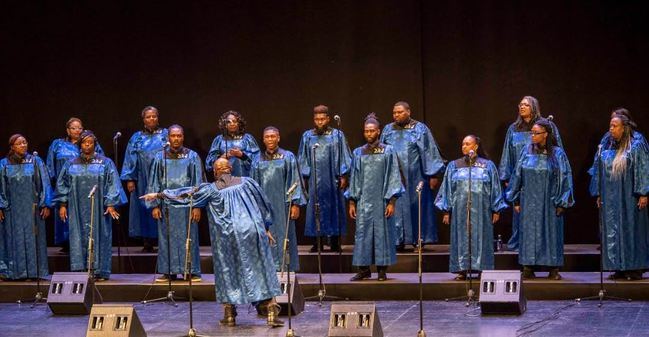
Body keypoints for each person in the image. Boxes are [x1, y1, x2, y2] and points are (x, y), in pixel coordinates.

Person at [140, 158, 284, 327]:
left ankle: (230, 314)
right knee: (262, 267)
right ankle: (271, 310)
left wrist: (159, 195)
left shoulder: (210, 189)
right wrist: (266, 227)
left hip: (226, 236)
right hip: (252, 231)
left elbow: (186, 195)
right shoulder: (248, 183)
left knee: (228, 271)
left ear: (215, 172)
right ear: (230, 169)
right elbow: (263, 204)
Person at [506, 119, 574, 280]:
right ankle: (528, 266)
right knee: (529, 234)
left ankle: (553, 267)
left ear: (546, 135)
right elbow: (517, 175)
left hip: (550, 202)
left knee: (550, 233)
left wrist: (562, 202)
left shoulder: (557, 154)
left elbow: (565, 178)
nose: (533, 136)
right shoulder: (526, 152)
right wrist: (515, 200)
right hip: (529, 201)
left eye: (536, 133)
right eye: (532, 133)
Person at [55, 130, 127, 280]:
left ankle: (99, 270)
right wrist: (62, 204)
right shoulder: (71, 163)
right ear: (80, 144)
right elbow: (62, 184)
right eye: (84, 142)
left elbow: (112, 183)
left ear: (95, 144)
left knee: (100, 235)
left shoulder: (105, 162)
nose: (87, 145)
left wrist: (111, 203)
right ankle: (80, 270)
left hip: (99, 208)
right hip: (77, 207)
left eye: (90, 143)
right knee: (78, 236)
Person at [435, 135, 507, 280]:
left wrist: (496, 209)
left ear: (475, 147)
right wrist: (446, 211)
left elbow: (495, 188)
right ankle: (462, 269)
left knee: (482, 238)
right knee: (461, 239)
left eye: (467, 144)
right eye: (463, 144)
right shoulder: (454, 165)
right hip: (460, 211)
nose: (464, 147)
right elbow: (447, 189)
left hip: (482, 211)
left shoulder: (487, 165)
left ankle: (482, 269)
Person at [589, 111, 649, 281]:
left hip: (629, 196)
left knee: (631, 229)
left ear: (624, 128)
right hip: (611, 197)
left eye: (614, 126)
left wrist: (643, 193)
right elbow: (598, 168)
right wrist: (599, 192)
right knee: (612, 232)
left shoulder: (636, 145)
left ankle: (634, 267)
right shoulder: (606, 144)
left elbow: (643, 169)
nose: (611, 129)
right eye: (610, 126)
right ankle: (618, 267)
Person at [499, 96, 563, 251]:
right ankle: (521, 244)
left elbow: (557, 150)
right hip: (522, 177)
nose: (522, 107)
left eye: (526, 105)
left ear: (534, 107)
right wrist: (507, 177)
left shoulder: (546, 126)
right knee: (521, 212)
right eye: (520, 104)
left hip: (544, 177)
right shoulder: (513, 129)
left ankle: (544, 246)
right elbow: (507, 153)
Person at [380, 101, 445, 251]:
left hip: (416, 176)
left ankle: (419, 240)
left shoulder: (419, 128)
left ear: (408, 112)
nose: (396, 115)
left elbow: (429, 151)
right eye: (394, 113)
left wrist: (434, 174)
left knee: (417, 207)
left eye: (400, 112)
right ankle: (397, 241)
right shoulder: (388, 129)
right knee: (396, 206)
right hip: (394, 176)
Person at [347, 114, 404, 282]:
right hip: (364, 201)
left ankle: (381, 270)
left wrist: (392, 201)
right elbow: (355, 178)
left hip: (381, 200)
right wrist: (352, 201)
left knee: (382, 235)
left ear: (378, 131)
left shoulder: (388, 151)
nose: (369, 134)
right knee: (362, 234)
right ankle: (363, 269)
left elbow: (393, 175)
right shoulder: (359, 152)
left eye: (372, 131)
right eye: (366, 131)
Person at [146, 125, 204, 282]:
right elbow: (154, 182)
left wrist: (197, 205)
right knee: (166, 238)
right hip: (167, 205)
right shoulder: (160, 157)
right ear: (168, 138)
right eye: (173, 136)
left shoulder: (192, 156)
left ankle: (191, 270)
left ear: (183, 137)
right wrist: (155, 205)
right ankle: (168, 271)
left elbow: (198, 182)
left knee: (189, 237)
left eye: (179, 136)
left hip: (187, 205)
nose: (176, 139)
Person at [251, 126, 306, 272]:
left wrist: (295, 204)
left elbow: (295, 181)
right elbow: (253, 185)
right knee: (265, 235)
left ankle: (286, 267)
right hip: (264, 207)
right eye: (267, 137)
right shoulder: (257, 160)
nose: (270, 139)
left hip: (283, 205)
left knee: (285, 235)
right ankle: (268, 268)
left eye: (273, 136)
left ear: (278, 138)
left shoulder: (287, 157)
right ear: (263, 139)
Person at [297, 105, 352, 252]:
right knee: (316, 208)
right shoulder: (307, 136)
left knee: (335, 207)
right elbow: (303, 158)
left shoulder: (337, 135)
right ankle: (318, 241)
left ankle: (335, 241)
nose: (320, 122)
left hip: (333, 178)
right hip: (315, 179)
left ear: (328, 119)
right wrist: (305, 175)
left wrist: (343, 175)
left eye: (322, 119)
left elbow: (344, 156)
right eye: (317, 119)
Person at [46, 117, 104, 252]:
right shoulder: (58, 144)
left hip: (87, 185)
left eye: (79, 128)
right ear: (67, 130)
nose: (77, 130)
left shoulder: (88, 142)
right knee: (65, 213)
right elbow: (50, 164)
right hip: (66, 185)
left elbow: (101, 161)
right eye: (73, 128)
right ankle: (66, 243)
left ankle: (87, 243)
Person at [0, 135, 51, 280]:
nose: (23, 145)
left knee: (33, 238)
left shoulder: (35, 161)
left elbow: (44, 183)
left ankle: (35, 272)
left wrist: (45, 204)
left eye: (25, 142)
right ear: (12, 147)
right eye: (19, 143)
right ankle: (15, 272)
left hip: (32, 209)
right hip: (12, 210)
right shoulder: (4, 164)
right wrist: (0, 206)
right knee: (13, 240)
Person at [121, 106, 168, 252]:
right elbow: (130, 157)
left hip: (163, 177)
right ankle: (147, 241)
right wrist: (130, 178)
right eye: (148, 117)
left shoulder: (165, 134)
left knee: (162, 204)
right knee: (143, 206)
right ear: (143, 120)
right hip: (143, 177)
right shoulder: (137, 137)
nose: (152, 119)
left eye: (154, 116)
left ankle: (163, 240)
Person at [205, 110, 260, 177]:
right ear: (225, 125)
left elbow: (257, 161)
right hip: (224, 179)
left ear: (239, 123)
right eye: (228, 122)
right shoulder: (219, 140)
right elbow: (209, 165)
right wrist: (222, 157)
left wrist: (242, 155)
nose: (232, 124)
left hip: (244, 178)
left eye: (234, 121)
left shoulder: (247, 139)